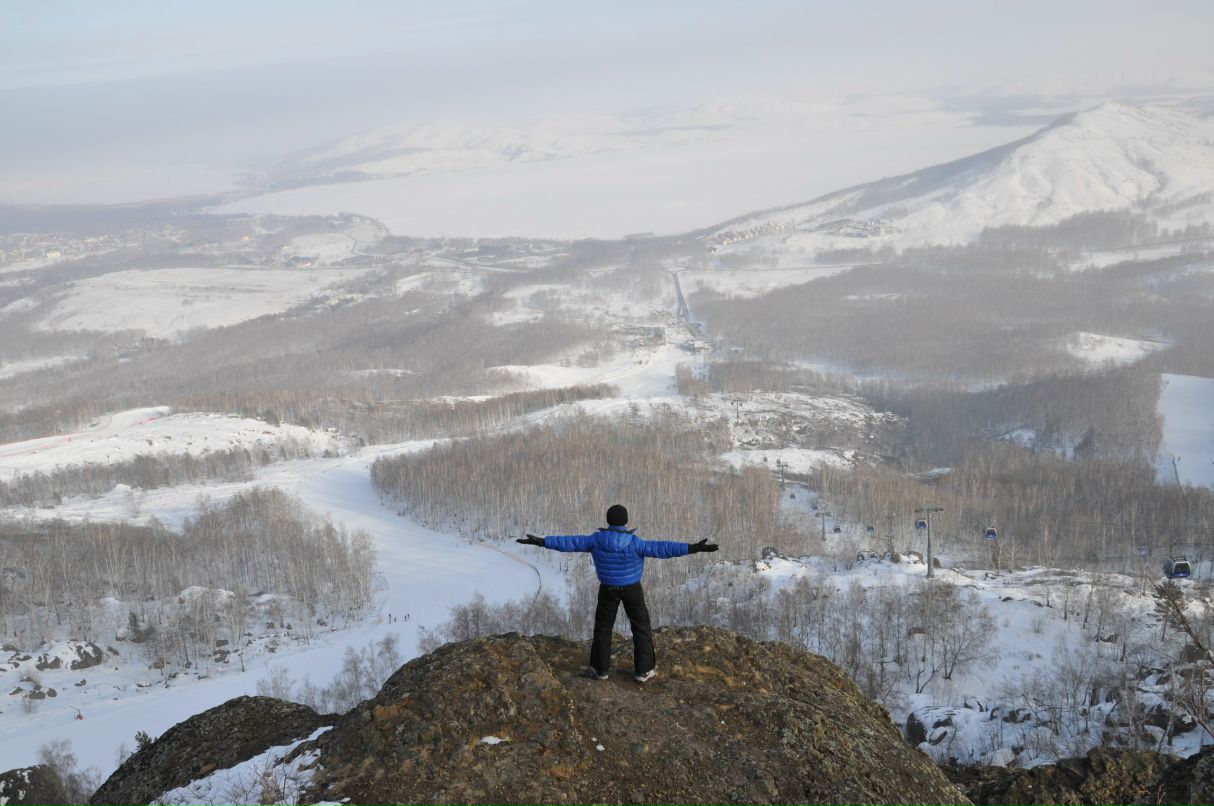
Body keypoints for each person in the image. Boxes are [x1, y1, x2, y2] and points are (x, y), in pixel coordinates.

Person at [517, 504, 718, 683]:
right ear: (626, 521)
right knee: (641, 628)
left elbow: (570, 542)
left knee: (603, 629)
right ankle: (644, 670)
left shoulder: (596, 540)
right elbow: (663, 548)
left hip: (607, 589)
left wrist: (542, 542)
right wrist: (692, 548)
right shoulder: (635, 542)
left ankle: (600, 670)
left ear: (608, 520)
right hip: (632, 589)